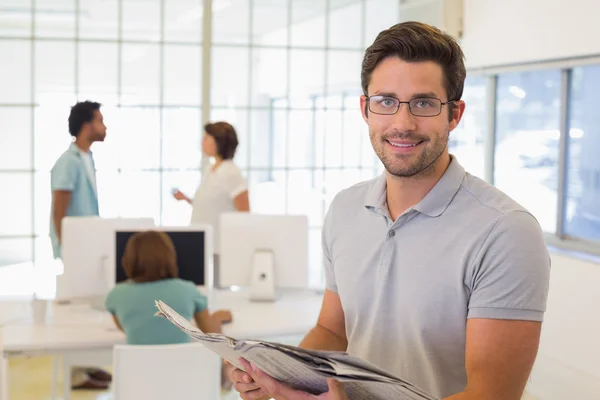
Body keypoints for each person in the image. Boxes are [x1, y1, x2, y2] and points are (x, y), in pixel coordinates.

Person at [230, 21, 551, 400]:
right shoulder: (345, 209)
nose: (402, 123)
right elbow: (334, 332)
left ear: (455, 114)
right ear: (366, 109)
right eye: (386, 101)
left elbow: (491, 395)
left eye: (424, 103)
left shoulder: (506, 232)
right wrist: (278, 376)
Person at [105, 230, 233, 389]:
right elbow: (213, 340)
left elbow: (129, 329)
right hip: (183, 389)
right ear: (170, 258)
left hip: (139, 389)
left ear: (128, 260)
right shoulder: (189, 291)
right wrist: (216, 319)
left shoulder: (116, 296)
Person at [49, 100, 114, 390]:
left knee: (90, 303)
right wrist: (69, 250)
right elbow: (59, 209)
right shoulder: (68, 161)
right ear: (87, 126)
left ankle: (87, 365)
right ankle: (75, 373)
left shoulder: (87, 158)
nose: (105, 126)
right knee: (75, 310)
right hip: (75, 247)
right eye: (101, 120)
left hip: (88, 244)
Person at [173, 122, 250, 284]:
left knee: (215, 288)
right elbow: (212, 204)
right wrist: (187, 199)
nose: (202, 142)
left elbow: (244, 214)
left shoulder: (231, 172)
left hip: (218, 247)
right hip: (202, 241)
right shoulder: (211, 169)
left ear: (219, 142)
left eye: (206, 138)